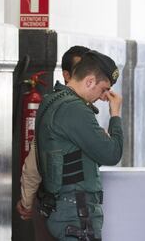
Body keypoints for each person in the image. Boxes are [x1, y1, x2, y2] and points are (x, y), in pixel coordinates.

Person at [36, 50, 123, 240]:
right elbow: (112, 154)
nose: (103, 97)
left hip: (64, 208)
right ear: (90, 81)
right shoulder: (74, 109)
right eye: (103, 89)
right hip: (76, 212)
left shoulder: (52, 99)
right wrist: (115, 114)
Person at [16, 46, 91, 240]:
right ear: (67, 75)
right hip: (54, 207)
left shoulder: (77, 109)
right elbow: (35, 159)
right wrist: (27, 200)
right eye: (81, 71)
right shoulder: (59, 110)